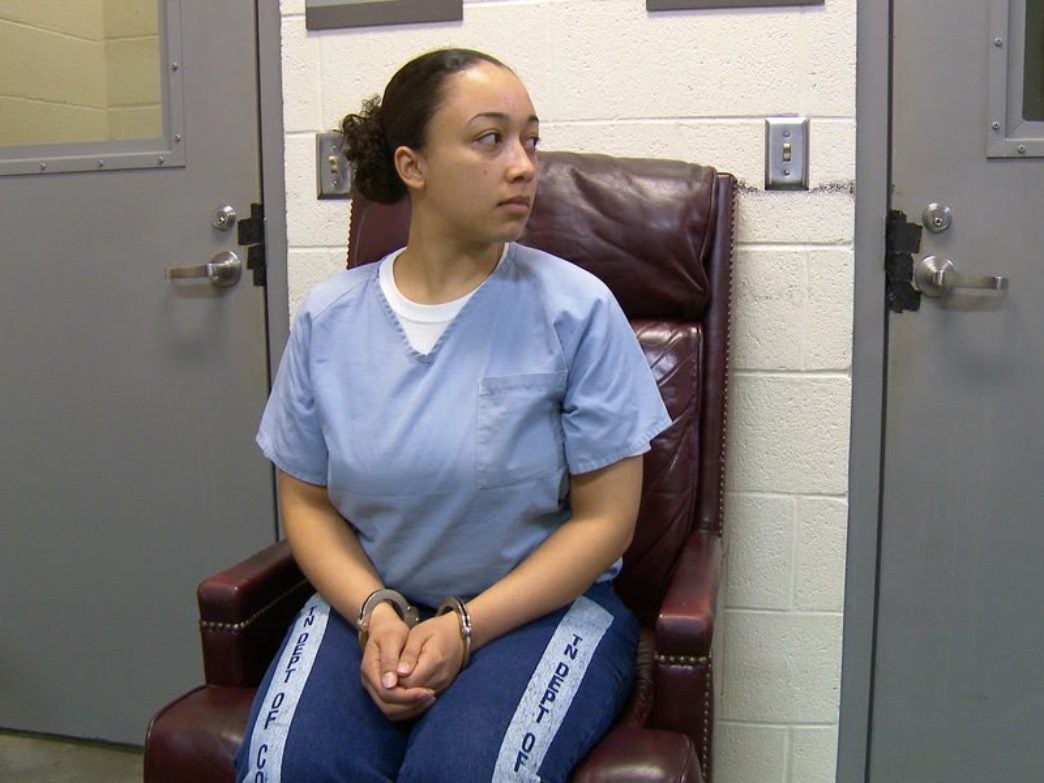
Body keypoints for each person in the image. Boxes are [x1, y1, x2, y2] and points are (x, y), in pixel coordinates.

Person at [234, 48, 672, 782]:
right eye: (489, 139)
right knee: (288, 769)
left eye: (531, 140)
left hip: (540, 609)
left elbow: (606, 521)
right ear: (413, 166)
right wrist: (375, 611)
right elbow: (306, 502)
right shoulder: (329, 317)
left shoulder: (576, 309)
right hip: (372, 604)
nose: (524, 165)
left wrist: (465, 628)